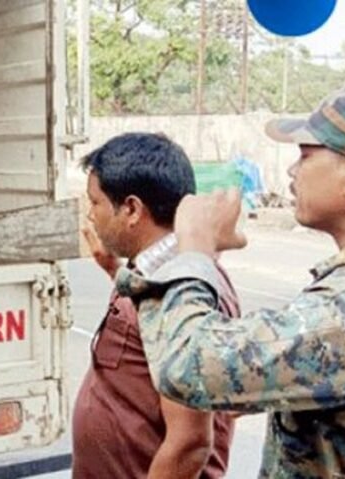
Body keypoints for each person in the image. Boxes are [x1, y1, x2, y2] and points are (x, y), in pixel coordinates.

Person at [115, 82, 345, 477]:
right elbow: (250, 377)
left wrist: (194, 250)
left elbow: (189, 367)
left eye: (305, 154)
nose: (292, 170)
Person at [72, 133, 239, 478]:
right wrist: (113, 270)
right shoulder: (152, 275)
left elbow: (190, 443)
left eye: (96, 203)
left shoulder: (178, 291)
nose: (91, 215)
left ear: (132, 210)